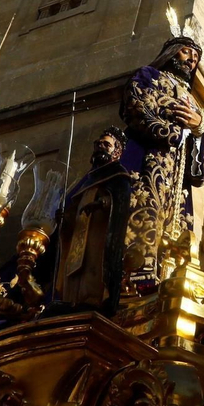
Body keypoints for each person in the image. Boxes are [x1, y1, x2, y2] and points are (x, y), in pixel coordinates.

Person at [120, 33, 204, 282]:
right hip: (147, 165)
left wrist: (199, 127)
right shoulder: (150, 76)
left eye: (196, 57)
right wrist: (196, 122)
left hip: (178, 186)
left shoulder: (197, 106)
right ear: (171, 52)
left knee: (174, 253)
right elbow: (139, 104)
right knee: (140, 230)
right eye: (187, 52)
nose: (191, 60)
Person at [42, 127, 136, 316]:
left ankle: (92, 300)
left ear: (117, 152)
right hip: (79, 235)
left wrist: (102, 203)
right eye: (98, 144)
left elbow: (120, 204)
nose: (101, 147)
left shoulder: (119, 177)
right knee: (74, 268)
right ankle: (72, 299)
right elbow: (75, 211)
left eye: (106, 145)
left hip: (98, 236)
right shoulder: (88, 180)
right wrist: (65, 220)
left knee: (92, 268)